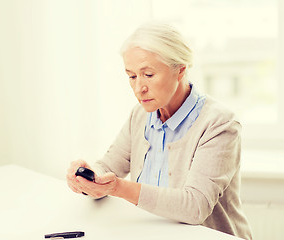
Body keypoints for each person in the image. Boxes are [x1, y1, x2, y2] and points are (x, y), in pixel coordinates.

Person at [66, 22, 253, 240]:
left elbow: (194, 207)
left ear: (181, 69)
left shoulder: (220, 124)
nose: (139, 88)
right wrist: (89, 178)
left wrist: (117, 188)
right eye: (132, 76)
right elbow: (108, 167)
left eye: (148, 74)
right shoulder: (140, 115)